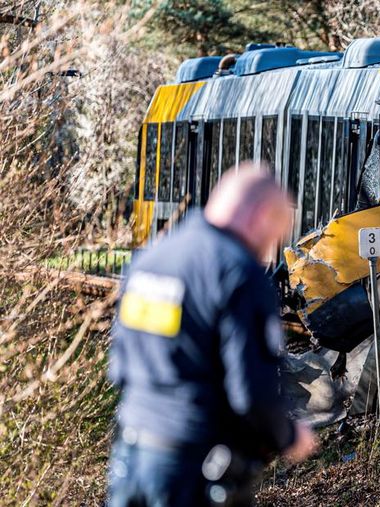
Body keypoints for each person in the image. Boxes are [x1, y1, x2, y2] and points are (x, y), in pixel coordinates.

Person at [107, 163, 317, 507]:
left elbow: (120, 364)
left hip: (131, 461)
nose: (266, 250)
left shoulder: (152, 259)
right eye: (273, 235)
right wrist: (290, 435)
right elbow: (251, 393)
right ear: (262, 216)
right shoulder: (237, 272)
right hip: (194, 470)